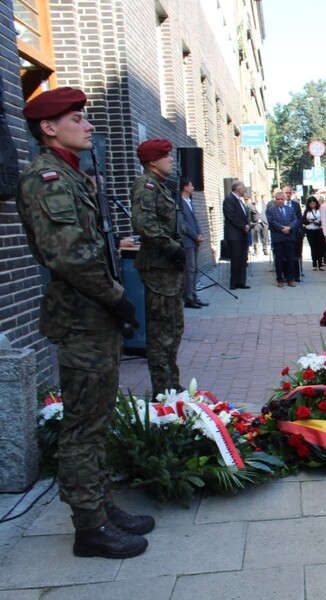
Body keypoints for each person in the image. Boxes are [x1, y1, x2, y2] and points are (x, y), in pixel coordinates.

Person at [16, 87, 152, 558]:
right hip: (82, 317)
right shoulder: (48, 179)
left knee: (97, 418)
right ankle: (89, 528)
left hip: (94, 315)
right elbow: (72, 258)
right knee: (83, 425)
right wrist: (119, 299)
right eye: (78, 118)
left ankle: (100, 505)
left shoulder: (73, 176)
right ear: (49, 128)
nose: (89, 125)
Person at [131, 138, 185, 401]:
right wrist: (172, 246)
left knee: (174, 330)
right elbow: (143, 223)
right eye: (166, 155)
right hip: (158, 270)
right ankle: (163, 392)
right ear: (153, 161)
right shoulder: (146, 186)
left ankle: (172, 386)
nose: (171, 159)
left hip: (168, 270)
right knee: (161, 334)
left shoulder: (161, 186)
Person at [179, 177, 208, 309]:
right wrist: (195, 236)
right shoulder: (180, 203)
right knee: (189, 270)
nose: (193, 188)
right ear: (185, 187)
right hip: (187, 241)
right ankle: (188, 298)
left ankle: (194, 295)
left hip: (195, 240)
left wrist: (200, 234)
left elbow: (194, 221)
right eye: (191, 185)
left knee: (195, 269)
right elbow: (183, 224)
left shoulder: (189, 202)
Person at [266, 190, 299, 287]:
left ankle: (290, 279)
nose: (280, 201)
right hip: (278, 238)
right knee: (279, 260)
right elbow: (272, 222)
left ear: (284, 200)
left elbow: (295, 220)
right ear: (275, 200)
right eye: (278, 199)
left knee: (290, 259)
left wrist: (289, 228)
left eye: (281, 199)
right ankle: (280, 279)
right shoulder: (271, 210)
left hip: (290, 237)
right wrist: (282, 228)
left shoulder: (290, 209)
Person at [223, 180, 251, 289]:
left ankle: (241, 282)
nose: (244, 189)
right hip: (234, 235)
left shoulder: (240, 201)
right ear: (238, 188)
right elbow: (231, 216)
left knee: (243, 259)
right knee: (236, 259)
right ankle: (233, 283)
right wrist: (243, 226)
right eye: (243, 187)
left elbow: (244, 216)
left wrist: (248, 224)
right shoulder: (229, 199)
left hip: (243, 234)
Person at [303, 196, 326, 270]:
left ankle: (320, 263)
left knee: (320, 247)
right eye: (311, 204)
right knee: (313, 247)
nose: (312, 205)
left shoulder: (320, 210)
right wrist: (309, 221)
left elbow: (324, 219)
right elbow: (303, 220)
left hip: (319, 230)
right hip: (310, 230)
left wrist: (318, 222)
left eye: (314, 204)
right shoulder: (307, 211)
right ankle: (314, 264)